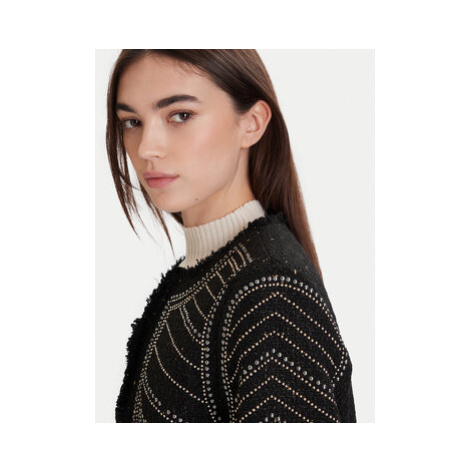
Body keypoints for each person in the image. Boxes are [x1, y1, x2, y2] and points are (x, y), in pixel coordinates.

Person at [106, 49, 357, 423]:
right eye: (132, 122)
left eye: (181, 115)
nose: (146, 148)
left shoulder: (269, 291)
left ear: (252, 123)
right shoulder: (204, 276)